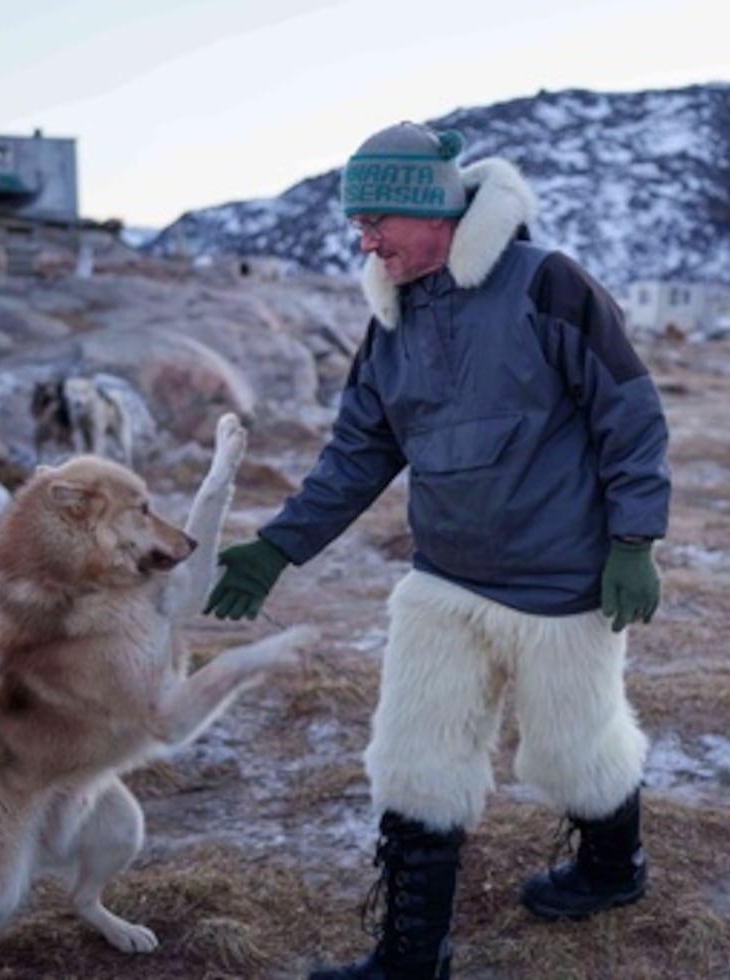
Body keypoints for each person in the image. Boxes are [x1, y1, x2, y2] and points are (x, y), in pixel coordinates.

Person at [205, 121, 671, 980]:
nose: (365, 240)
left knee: (578, 755)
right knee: (416, 765)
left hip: (563, 585)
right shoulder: (390, 325)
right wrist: (278, 549)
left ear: (433, 212)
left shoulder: (548, 286)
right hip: (444, 585)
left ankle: (614, 869)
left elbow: (629, 414)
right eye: (358, 229)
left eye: (376, 220)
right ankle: (411, 957)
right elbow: (357, 455)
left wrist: (635, 540)